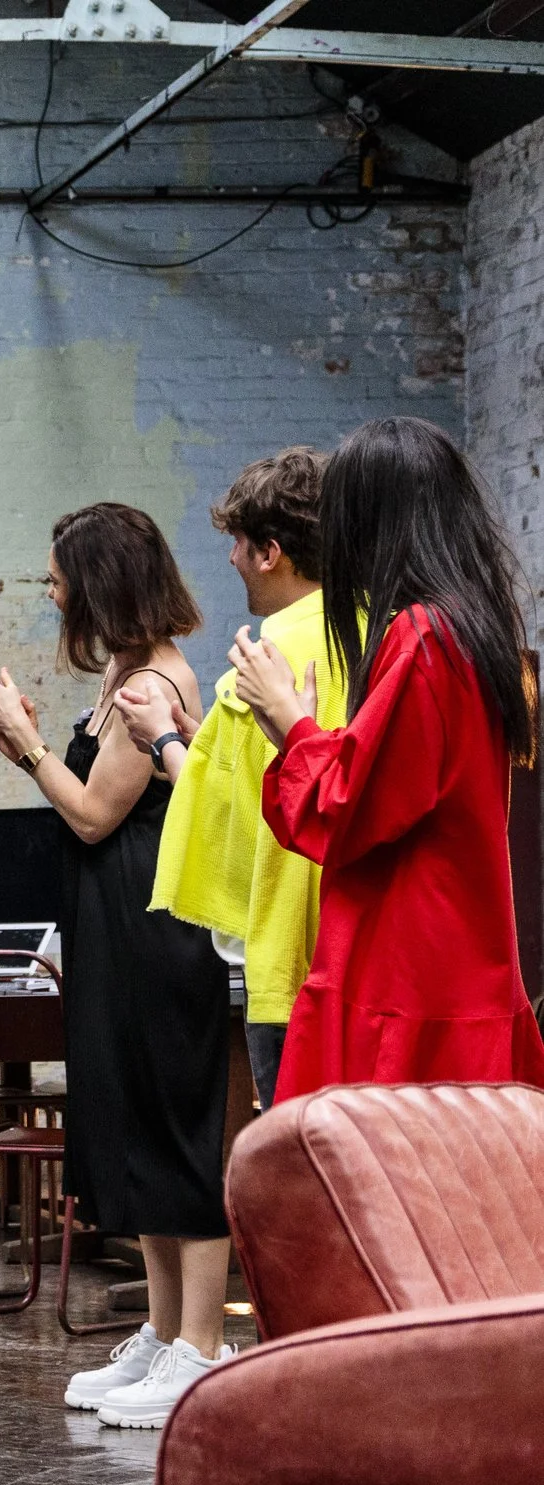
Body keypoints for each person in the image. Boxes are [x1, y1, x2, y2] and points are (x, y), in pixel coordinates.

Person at [0, 504, 236, 1430]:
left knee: (175, 1127)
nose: (51, 592)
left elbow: (89, 815)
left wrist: (29, 743)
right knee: (135, 1125)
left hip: (156, 929)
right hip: (113, 927)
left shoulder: (154, 680)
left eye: (58, 578)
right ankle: (164, 1332)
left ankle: (202, 1348)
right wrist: (20, 742)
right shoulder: (123, 670)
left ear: (98, 582)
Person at [238, 416, 544, 1093]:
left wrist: (290, 723)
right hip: (450, 964)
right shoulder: (471, 629)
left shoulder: (425, 637)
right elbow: (396, 781)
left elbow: (353, 808)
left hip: (405, 971)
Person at [118, 446, 344, 1113]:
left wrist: (163, 739)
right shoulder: (382, 635)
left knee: (301, 1163)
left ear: (271, 552)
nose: (231, 558)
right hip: (372, 964)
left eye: (239, 543)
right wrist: (203, 741)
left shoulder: (263, 663)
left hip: (293, 962)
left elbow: (229, 812)